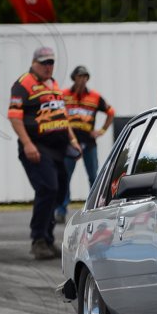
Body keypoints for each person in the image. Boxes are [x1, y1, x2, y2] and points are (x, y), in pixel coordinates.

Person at [8, 47, 81, 260]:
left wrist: (73, 140)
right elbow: (14, 116)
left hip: (58, 149)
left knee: (59, 191)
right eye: (44, 63)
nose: (48, 67)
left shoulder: (53, 84)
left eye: (51, 62)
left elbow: (61, 115)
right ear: (34, 63)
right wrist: (27, 144)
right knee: (48, 188)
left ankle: (48, 239)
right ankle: (38, 240)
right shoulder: (23, 84)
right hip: (37, 147)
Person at [56, 65, 115, 223]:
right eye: (79, 76)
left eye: (85, 77)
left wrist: (101, 131)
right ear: (74, 78)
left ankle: (95, 209)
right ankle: (61, 210)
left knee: (94, 177)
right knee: (65, 177)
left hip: (89, 143)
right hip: (69, 144)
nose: (82, 80)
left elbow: (111, 112)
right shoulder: (63, 95)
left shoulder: (95, 96)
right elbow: (55, 113)